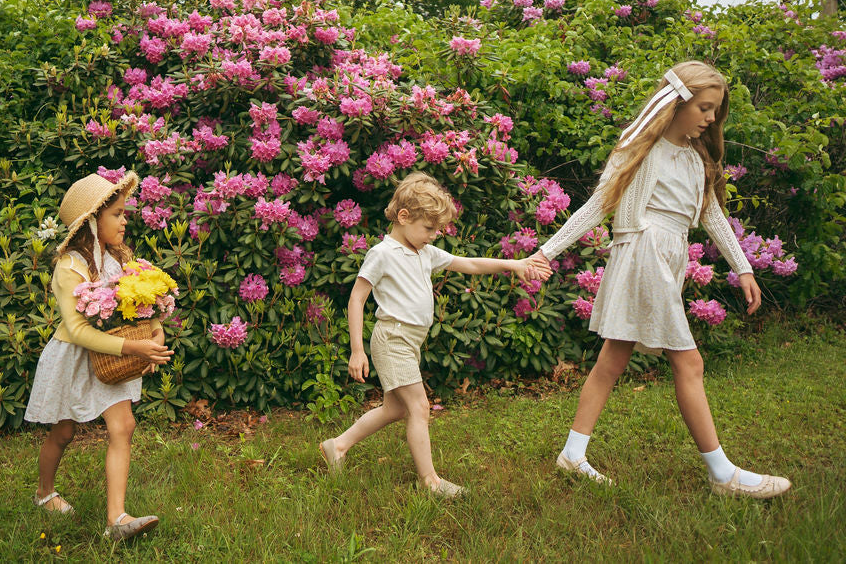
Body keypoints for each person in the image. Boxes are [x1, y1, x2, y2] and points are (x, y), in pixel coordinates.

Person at [531, 61, 790, 498]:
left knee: (613, 358)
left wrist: (742, 266)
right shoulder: (640, 150)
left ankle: (573, 454)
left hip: (665, 258)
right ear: (677, 103)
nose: (711, 118)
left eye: (715, 111)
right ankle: (722, 473)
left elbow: (711, 216)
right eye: (705, 108)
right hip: (644, 253)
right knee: (689, 363)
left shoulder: (694, 159)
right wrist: (545, 251)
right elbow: (597, 206)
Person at [319, 172, 550, 496]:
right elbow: (356, 298)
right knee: (419, 407)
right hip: (392, 338)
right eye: (428, 228)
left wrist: (514, 265)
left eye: (436, 229)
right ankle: (430, 482)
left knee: (395, 409)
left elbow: (469, 264)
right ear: (404, 216)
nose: (433, 235)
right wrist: (357, 351)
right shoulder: (382, 254)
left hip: (409, 342)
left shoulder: (424, 253)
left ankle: (337, 446)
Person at [24, 172, 174, 538]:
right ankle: (44, 494)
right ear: (92, 221)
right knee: (63, 432)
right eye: (118, 214)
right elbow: (77, 330)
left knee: (123, 425)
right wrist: (134, 348)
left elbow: (140, 306)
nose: (125, 221)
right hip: (74, 358)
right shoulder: (69, 267)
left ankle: (116, 520)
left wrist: (155, 330)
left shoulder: (118, 259)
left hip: (112, 360)